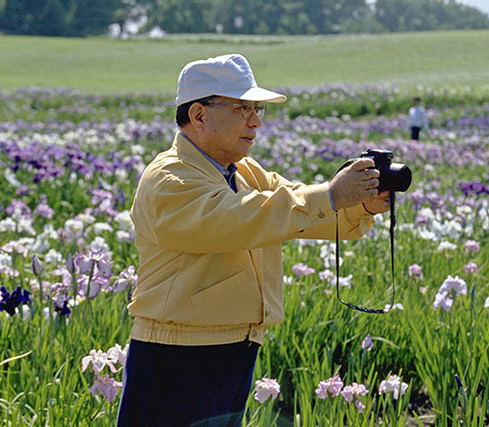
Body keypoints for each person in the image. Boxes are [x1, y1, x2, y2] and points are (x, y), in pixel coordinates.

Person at [116, 53, 390, 427]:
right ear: (199, 115)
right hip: (176, 354)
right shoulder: (170, 177)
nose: (256, 121)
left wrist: (361, 206)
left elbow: (295, 213)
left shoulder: (242, 170)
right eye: (243, 108)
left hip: (231, 348)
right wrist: (328, 196)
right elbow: (240, 219)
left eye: (257, 109)